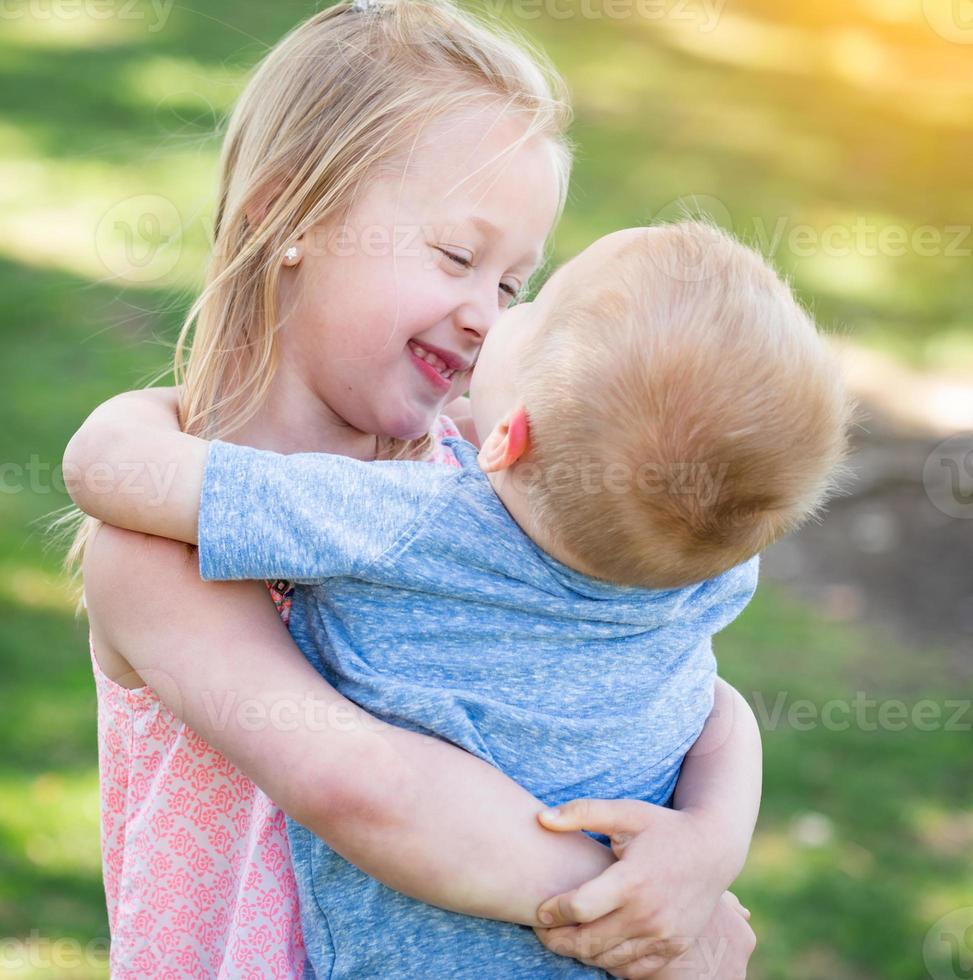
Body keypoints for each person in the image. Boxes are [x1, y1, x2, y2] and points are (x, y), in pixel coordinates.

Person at [64, 2, 763, 976]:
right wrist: (637, 905)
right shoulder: (154, 549)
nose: (484, 315)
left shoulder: (490, 489)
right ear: (290, 214)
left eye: (514, 286)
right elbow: (364, 786)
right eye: (456, 256)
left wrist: (701, 853)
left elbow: (690, 685)